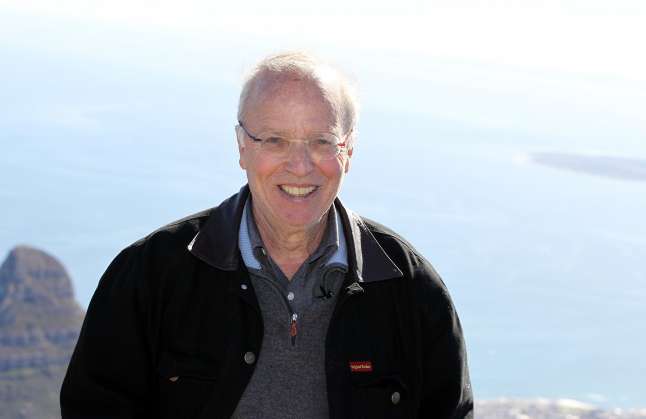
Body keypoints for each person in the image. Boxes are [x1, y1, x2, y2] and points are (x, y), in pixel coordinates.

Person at [60, 51, 473, 419]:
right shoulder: (149, 276)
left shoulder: (412, 290)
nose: (299, 165)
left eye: (321, 141)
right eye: (274, 140)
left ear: (348, 151)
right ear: (242, 146)